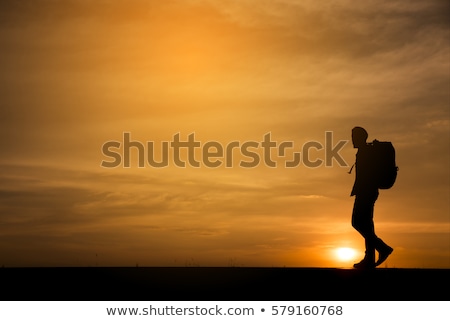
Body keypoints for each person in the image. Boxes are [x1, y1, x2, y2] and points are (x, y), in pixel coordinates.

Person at [350, 127, 393, 269]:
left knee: (357, 222)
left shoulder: (365, 152)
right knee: (367, 225)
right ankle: (369, 258)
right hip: (367, 192)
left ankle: (382, 248)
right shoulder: (364, 151)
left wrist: (361, 190)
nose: (352, 139)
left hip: (366, 192)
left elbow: (366, 175)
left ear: (361, 137)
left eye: (354, 136)